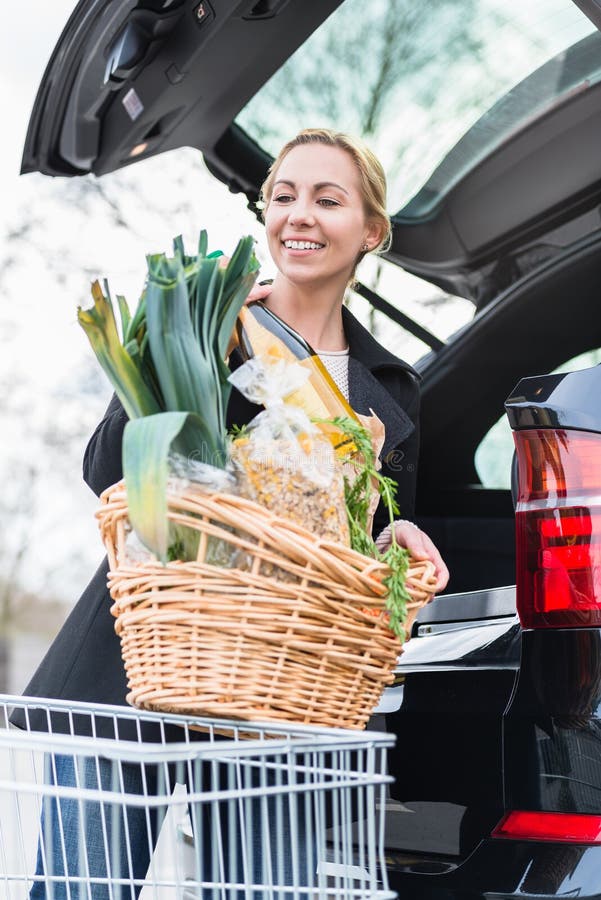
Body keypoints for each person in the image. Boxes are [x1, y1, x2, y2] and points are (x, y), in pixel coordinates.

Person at [19, 127, 448, 897]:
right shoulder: (212, 321)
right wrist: (192, 349)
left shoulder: (389, 387)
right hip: (137, 670)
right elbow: (108, 472)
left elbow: (355, 539)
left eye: (327, 199)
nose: (298, 216)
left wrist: (397, 537)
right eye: (282, 196)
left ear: (371, 231)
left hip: (275, 698)